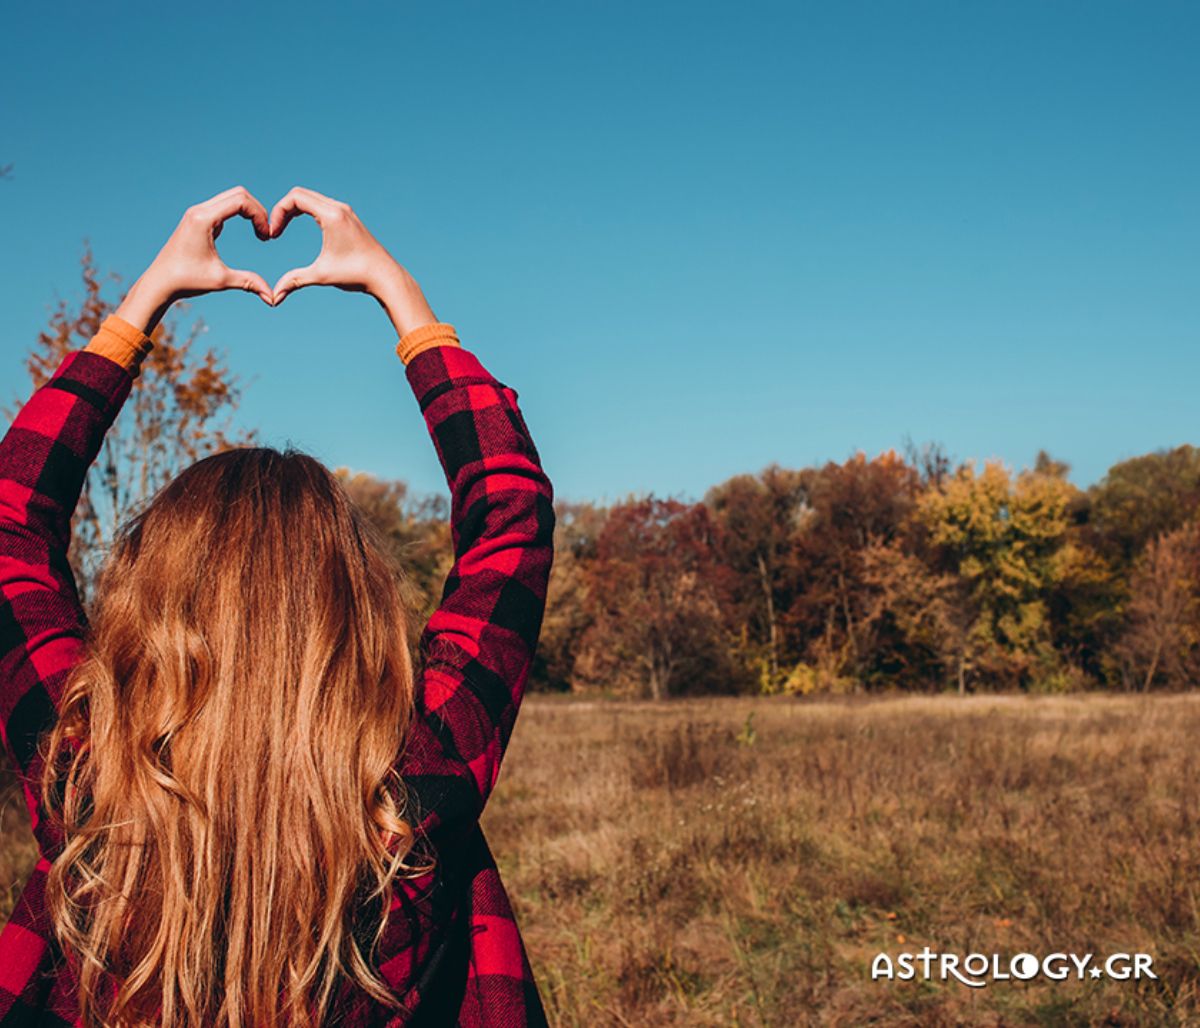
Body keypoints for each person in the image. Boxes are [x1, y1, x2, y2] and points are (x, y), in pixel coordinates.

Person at [0, 186, 555, 1027]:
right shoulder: (413, 798)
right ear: (351, 617)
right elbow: (509, 517)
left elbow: (11, 524)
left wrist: (143, 306)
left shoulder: (85, 788)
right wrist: (396, 292)